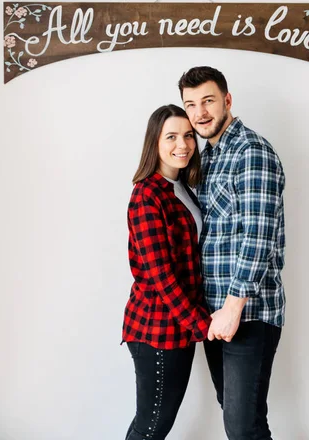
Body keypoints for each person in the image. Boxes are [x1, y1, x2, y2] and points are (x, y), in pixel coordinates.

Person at [178, 66, 286, 440]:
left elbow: (258, 235)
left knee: (241, 427)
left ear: (227, 100)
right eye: (190, 104)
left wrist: (233, 308)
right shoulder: (207, 158)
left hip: (247, 313)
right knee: (245, 421)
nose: (199, 113)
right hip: (216, 313)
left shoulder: (250, 151)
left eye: (208, 101)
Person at [121, 104, 211, 440]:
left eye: (188, 136)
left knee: (158, 423)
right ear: (154, 143)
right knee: (151, 426)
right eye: (171, 136)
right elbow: (162, 277)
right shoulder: (147, 195)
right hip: (156, 329)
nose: (183, 144)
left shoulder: (182, 188)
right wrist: (203, 324)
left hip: (180, 327)